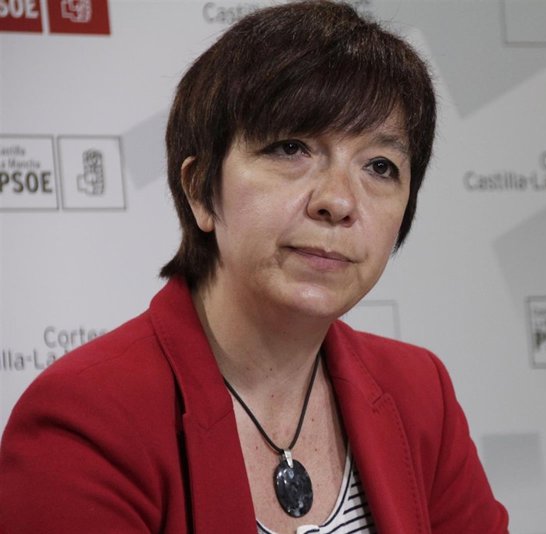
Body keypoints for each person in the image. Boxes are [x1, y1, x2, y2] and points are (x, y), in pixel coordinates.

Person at [0, 1, 509, 533]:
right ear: (200, 190)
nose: (338, 201)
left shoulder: (420, 392)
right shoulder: (86, 418)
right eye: (292, 148)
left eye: (380, 166)